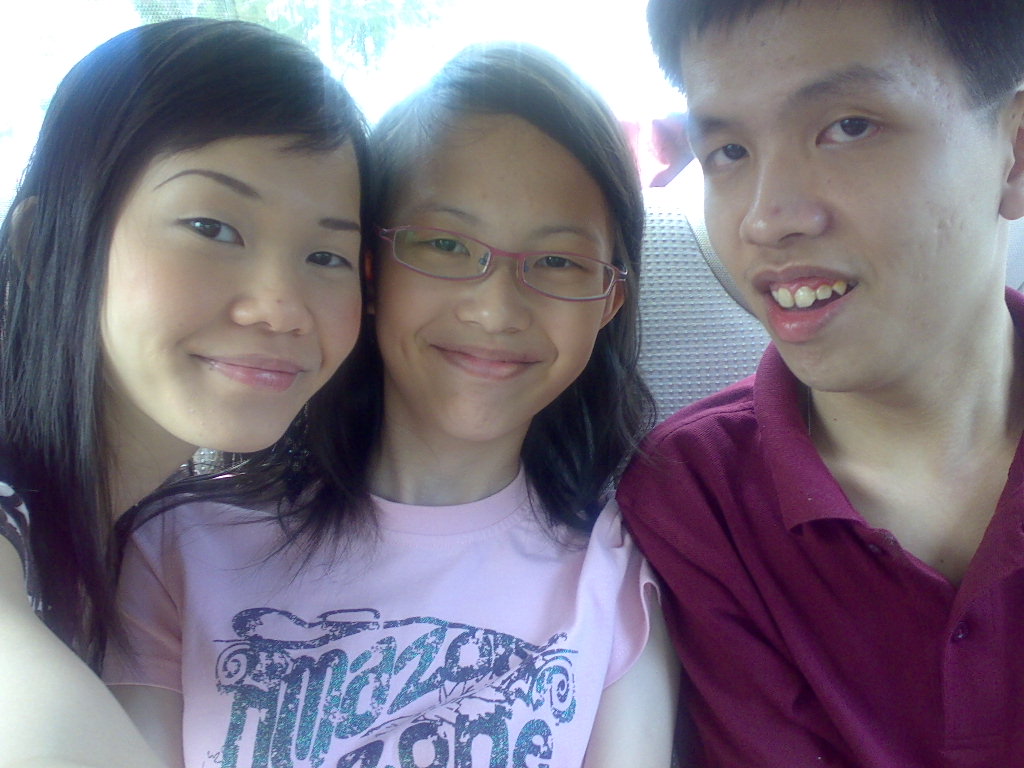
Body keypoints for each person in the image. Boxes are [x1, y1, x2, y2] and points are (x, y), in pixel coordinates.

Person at [103, 42, 680, 768]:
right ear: (369, 273)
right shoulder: (180, 546)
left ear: (608, 301)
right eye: (444, 245)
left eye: (559, 261)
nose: (496, 310)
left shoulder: (616, 578)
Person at [617, 0, 1024, 765]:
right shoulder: (696, 497)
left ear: (1014, 152)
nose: (766, 220)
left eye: (849, 127)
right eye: (728, 151)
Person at [0, 17, 368, 768]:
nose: (281, 308)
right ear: (46, 246)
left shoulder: (142, 539)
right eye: (212, 227)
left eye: (328, 255)